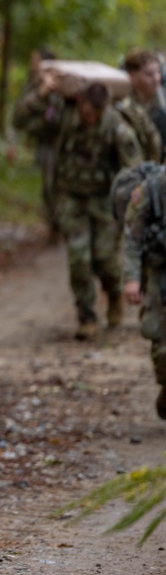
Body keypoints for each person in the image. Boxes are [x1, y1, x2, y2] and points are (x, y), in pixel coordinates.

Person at [21, 80, 142, 340]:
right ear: (79, 103)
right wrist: (40, 94)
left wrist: (134, 202)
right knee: (79, 257)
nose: (90, 118)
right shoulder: (63, 120)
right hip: (71, 198)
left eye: (96, 113)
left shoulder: (117, 128)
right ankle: (86, 317)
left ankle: (113, 292)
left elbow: (135, 170)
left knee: (105, 259)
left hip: (105, 201)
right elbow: (21, 121)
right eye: (87, 111)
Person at [123, 167, 166, 419]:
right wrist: (131, 278)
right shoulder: (152, 188)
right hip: (160, 273)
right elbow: (132, 237)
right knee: (162, 348)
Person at [12, 48, 62, 241]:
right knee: (49, 188)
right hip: (46, 144)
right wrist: (41, 93)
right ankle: (54, 226)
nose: (33, 66)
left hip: (65, 145)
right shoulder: (34, 87)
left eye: (37, 62)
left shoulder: (64, 86)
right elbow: (19, 117)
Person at [122, 48, 166, 161]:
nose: (156, 79)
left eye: (158, 72)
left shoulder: (162, 104)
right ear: (132, 76)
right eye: (149, 74)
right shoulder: (123, 107)